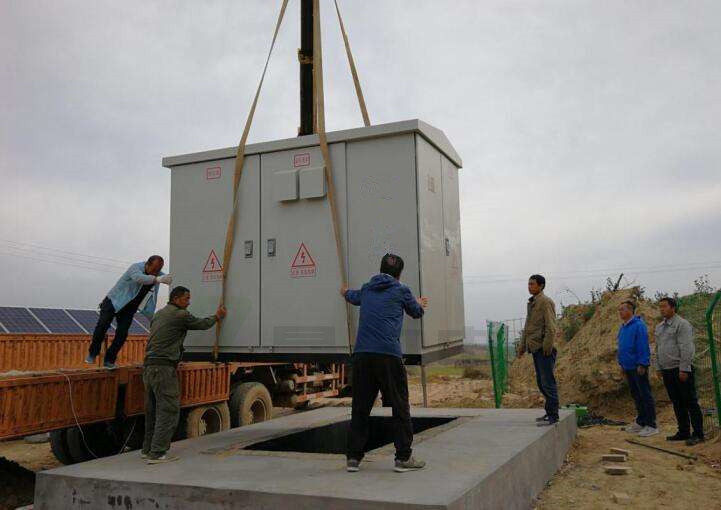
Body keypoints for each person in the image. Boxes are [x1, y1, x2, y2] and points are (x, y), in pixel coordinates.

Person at [340, 253, 428, 473]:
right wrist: (420, 303)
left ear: (380, 269)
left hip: (362, 355)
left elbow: (353, 296)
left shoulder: (367, 289)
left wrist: (344, 292)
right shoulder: (401, 290)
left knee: (360, 407)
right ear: (399, 274)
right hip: (388, 355)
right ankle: (403, 458)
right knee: (399, 406)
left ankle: (353, 458)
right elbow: (416, 312)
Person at [141, 286, 226, 464]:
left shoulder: (159, 313)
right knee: (168, 410)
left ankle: (148, 450)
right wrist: (217, 316)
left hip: (149, 367)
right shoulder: (180, 315)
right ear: (177, 299)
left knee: (153, 411)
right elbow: (202, 324)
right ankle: (157, 453)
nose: (189, 302)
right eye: (186, 298)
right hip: (164, 368)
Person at [86, 255, 172, 368]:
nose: (156, 273)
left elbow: (169, 279)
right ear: (147, 264)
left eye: (158, 270)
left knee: (122, 334)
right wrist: (157, 279)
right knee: (103, 325)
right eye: (154, 270)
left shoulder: (158, 275)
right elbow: (138, 278)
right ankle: (93, 353)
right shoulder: (136, 268)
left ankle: (109, 360)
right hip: (114, 301)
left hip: (129, 308)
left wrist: (171, 279)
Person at [655, 297, 704, 445]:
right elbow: (657, 348)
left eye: (664, 306)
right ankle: (683, 431)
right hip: (667, 370)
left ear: (673, 308)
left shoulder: (682, 324)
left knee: (690, 402)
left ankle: (698, 434)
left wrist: (684, 369)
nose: (661, 309)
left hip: (680, 370)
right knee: (677, 402)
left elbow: (687, 348)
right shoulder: (659, 327)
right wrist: (658, 367)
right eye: (660, 307)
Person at [516, 274, 559, 426]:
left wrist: (547, 346)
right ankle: (549, 412)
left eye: (532, 284)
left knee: (548, 383)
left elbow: (551, 327)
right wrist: (522, 347)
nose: (529, 287)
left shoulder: (545, 302)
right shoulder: (532, 303)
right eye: (528, 284)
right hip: (535, 348)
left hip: (544, 349)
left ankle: (553, 416)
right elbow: (528, 327)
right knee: (541, 382)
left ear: (541, 286)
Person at [616, 300, 658, 437]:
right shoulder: (623, 327)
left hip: (637, 366)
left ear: (630, 310)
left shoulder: (638, 325)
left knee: (645, 394)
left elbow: (642, 346)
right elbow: (622, 347)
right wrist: (622, 364)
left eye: (622, 309)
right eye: (619, 310)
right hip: (628, 366)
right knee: (636, 395)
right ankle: (641, 421)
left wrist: (642, 364)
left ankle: (651, 424)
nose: (620, 312)